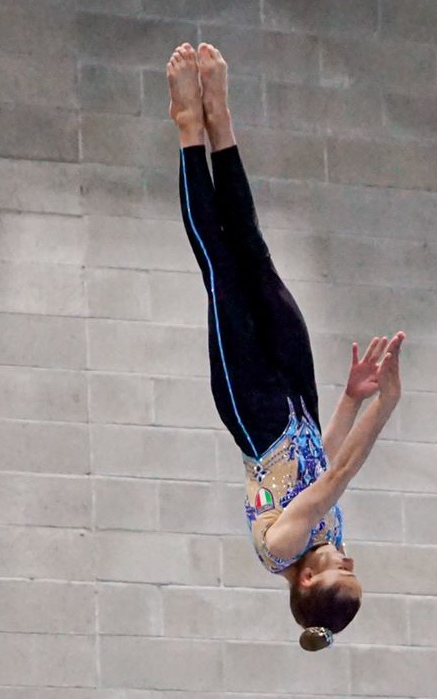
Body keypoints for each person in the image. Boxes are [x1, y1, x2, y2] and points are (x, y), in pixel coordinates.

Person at [167, 42, 403, 651]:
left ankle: (190, 130)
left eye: (340, 570)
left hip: (253, 411)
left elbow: (340, 475)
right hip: (298, 402)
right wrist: (352, 401)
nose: (347, 558)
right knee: (256, 255)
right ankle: (222, 123)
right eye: (353, 567)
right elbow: (320, 468)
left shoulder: (281, 548)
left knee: (221, 268)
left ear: (304, 581)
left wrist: (388, 407)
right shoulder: (323, 536)